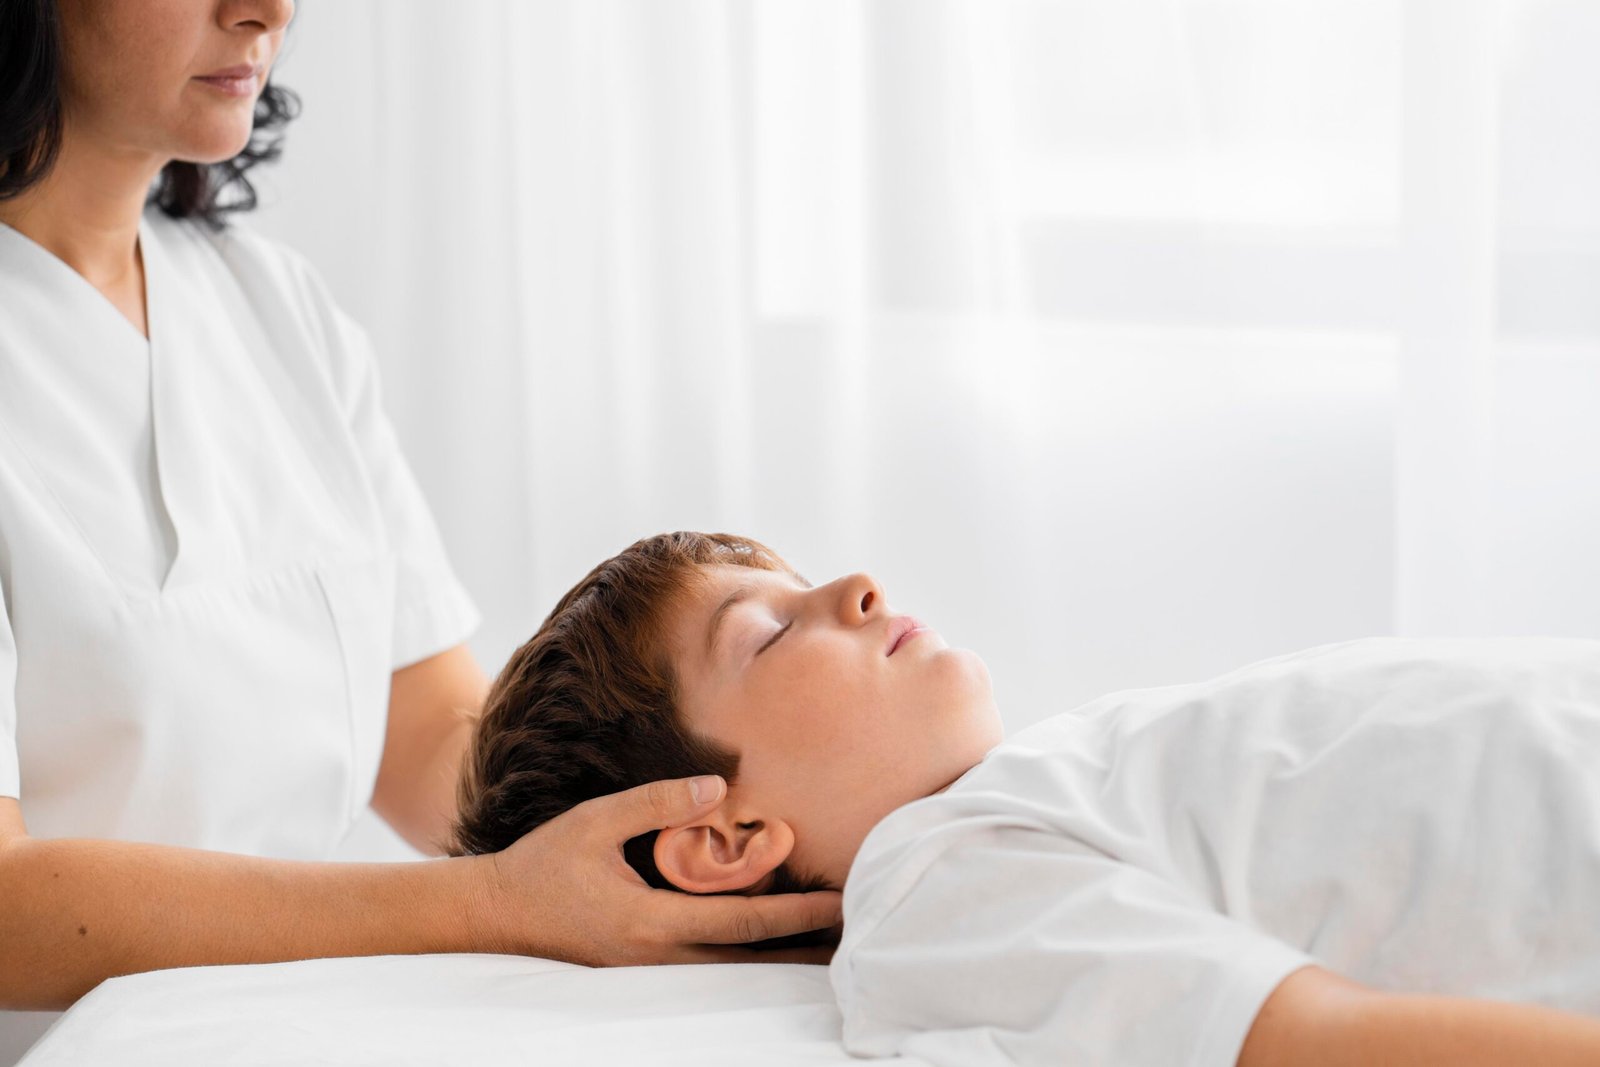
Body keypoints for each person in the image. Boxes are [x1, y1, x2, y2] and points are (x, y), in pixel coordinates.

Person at [0, 2, 839, 1058]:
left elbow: (440, 740)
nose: (265, 10)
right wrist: (491, 902)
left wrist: (757, 838)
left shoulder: (274, 309)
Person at [452, 530, 1600, 1066]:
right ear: (726, 837)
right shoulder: (933, 889)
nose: (855, 585)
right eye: (767, 629)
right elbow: (1306, 1040)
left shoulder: (1047, 782)